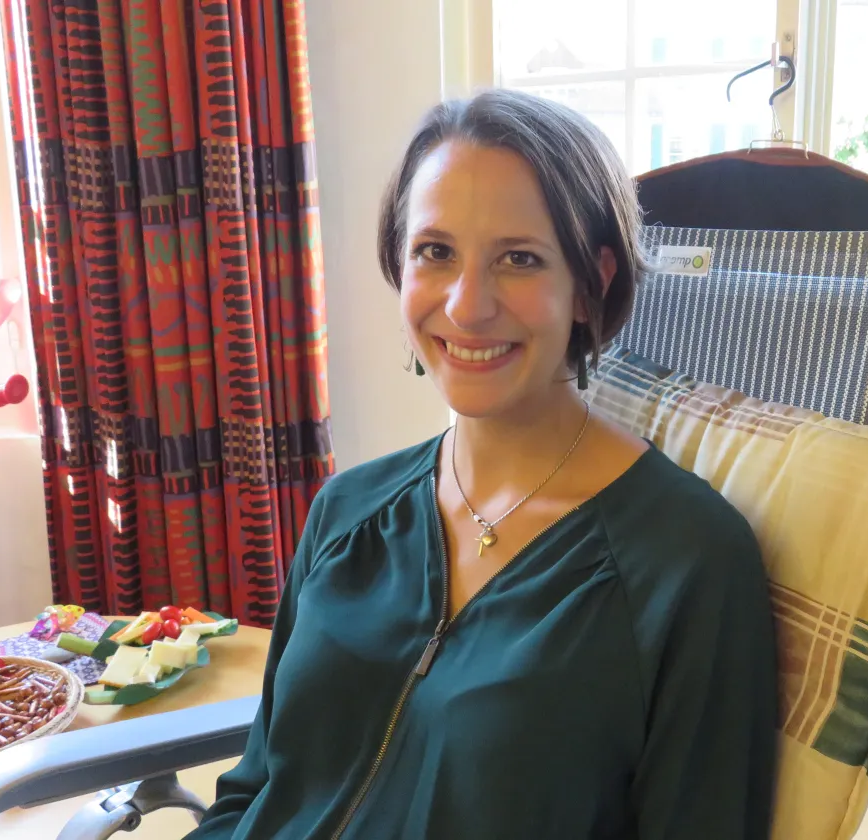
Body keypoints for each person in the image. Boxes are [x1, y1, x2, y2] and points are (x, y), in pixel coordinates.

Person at [185, 89, 777, 840]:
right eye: (435, 252)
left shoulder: (686, 560)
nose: (467, 307)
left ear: (591, 286)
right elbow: (254, 789)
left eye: (519, 259)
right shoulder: (347, 511)